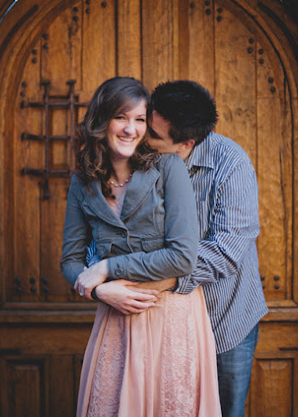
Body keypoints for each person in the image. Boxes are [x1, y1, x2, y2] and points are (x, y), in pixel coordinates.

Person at [60, 77, 221, 417]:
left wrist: (106, 269)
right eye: (121, 117)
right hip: (115, 319)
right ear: (102, 120)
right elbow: (71, 261)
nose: (130, 129)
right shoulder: (82, 182)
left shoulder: (168, 168)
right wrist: (101, 293)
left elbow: (182, 256)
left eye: (140, 119)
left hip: (172, 316)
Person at [146, 80, 269, 417]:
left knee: (226, 412)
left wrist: (156, 277)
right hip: (162, 320)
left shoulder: (232, 164)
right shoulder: (145, 159)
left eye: (154, 136)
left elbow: (226, 250)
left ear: (185, 143)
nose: (144, 138)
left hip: (224, 320)